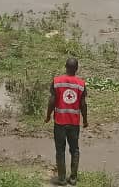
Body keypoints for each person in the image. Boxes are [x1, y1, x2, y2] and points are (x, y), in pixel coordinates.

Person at [45, 57, 88, 185]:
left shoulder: (57, 81)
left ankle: (62, 179)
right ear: (76, 68)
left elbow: (52, 101)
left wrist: (48, 116)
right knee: (74, 150)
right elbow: (83, 104)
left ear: (65, 66)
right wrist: (85, 120)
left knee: (60, 150)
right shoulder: (81, 84)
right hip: (74, 123)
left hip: (59, 122)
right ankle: (73, 178)